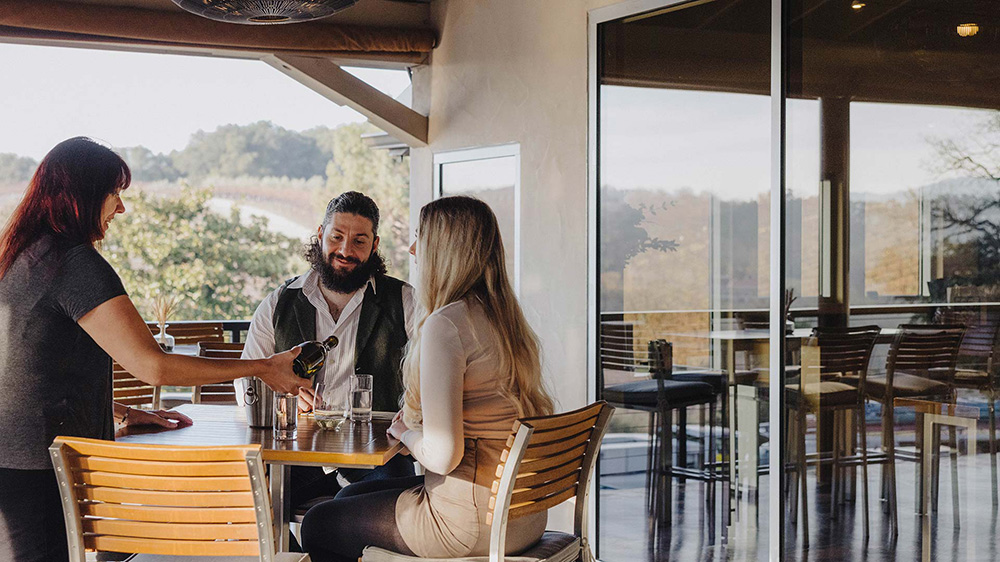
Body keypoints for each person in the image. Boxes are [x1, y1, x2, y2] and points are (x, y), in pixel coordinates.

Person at [0, 137, 309, 562]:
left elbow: (35, 367)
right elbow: (155, 367)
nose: (120, 209)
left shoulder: (19, 255)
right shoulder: (76, 264)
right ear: (84, 196)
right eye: (115, 195)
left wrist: (123, 412)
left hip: (14, 461)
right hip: (41, 467)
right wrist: (261, 367)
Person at [299, 196, 555, 562]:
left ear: (445, 249)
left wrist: (405, 433)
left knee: (318, 524)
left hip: (467, 522)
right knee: (347, 499)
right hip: (521, 515)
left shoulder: (447, 324)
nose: (413, 247)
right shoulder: (503, 318)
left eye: (421, 236)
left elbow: (444, 455)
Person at [240, 191, 417, 503]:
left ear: (374, 246)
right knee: (248, 501)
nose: (345, 250)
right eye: (336, 237)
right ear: (321, 235)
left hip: (378, 457)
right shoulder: (277, 303)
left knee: (391, 502)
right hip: (295, 456)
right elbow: (246, 387)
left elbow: (430, 380)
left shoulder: (405, 301)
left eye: (359, 241)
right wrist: (284, 396)